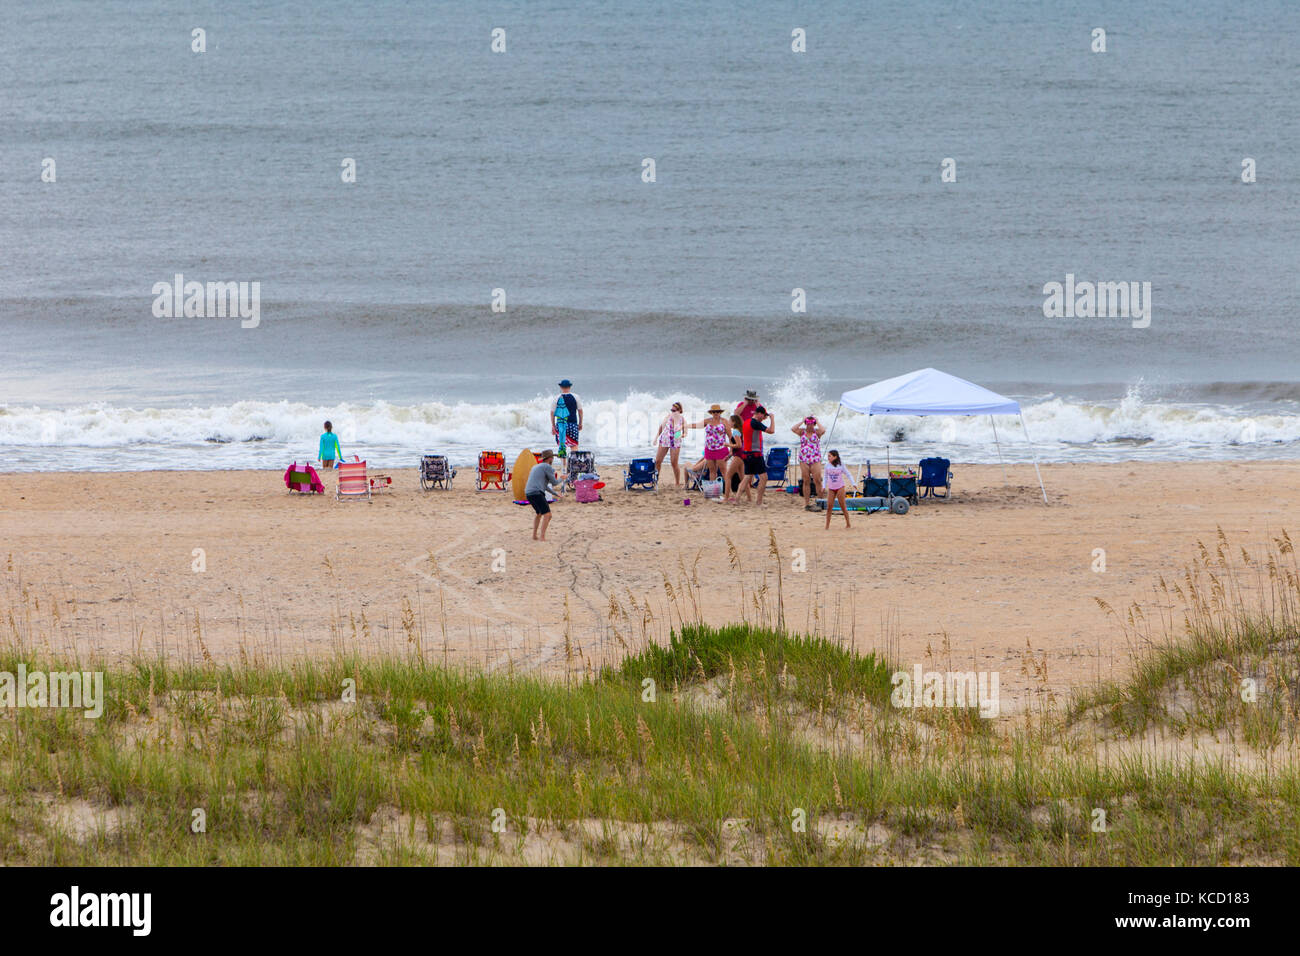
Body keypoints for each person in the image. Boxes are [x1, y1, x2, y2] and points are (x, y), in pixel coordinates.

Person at [525, 449, 566, 541]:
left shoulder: (535, 467)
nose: (553, 460)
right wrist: (562, 478)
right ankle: (542, 537)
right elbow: (554, 483)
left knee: (539, 513)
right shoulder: (548, 467)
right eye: (552, 458)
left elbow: (544, 486)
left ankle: (534, 535)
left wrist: (555, 494)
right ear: (550, 458)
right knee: (548, 515)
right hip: (536, 493)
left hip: (528, 492)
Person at [736, 406, 774, 504]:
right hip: (755, 454)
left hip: (746, 453)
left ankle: (737, 499)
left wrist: (765, 416)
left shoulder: (747, 422)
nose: (763, 418)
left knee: (747, 477)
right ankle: (759, 501)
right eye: (763, 416)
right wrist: (772, 418)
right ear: (759, 414)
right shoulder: (755, 423)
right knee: (764, 478)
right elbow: (771, 430)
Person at [685, 403, 729, 485]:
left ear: (720, 412)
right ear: (711, 413)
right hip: (709, 449)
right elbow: (697, 425)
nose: (716, 413)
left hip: (721, 449)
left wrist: (732, 449)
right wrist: (686, 426)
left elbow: (730, 436)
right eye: (714, 412)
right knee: (712, 471)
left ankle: (727, 492)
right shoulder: (708, 421)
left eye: (717, 412)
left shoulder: (724, 421)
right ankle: (713, 491)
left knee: (724, 471)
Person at [791, 415, 827, 511]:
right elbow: (793, 428)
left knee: (817, 480)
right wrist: (802, 421)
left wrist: (817, 421)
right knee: (806, 481)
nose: (809, 426)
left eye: (811, 424)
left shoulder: (817, 432)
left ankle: (820, 501)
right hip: (804, 459)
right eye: (808, 424)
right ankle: (806, 503)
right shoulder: (802, 432)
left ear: (814, 424)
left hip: (815, 458)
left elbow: (823, 430)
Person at [652, 401, 687, 487]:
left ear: (679, 410)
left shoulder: (682, 420)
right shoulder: (668, 417)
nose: (672, 412)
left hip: (675, 442)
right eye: (671, 410)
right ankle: (655, 481)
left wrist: (680, 435)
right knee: (658, 461)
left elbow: (685, 433)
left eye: (674, 410)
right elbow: (661, 427)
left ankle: (677, 483)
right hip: (665, 440)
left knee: (674, 463)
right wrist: (656, 438)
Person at [551, 379, 583, 459]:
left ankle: (564, 467)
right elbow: (580, 411)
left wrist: (553, 426)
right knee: (574, 446)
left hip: (561, 425)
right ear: (570, 387)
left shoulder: (557, 398)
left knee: (562, 447)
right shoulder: (576, 397)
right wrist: (580, 423)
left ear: (561, 387)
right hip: (572, 425)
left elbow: (552, 413)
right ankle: (573, 466)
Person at [823, 449, 851, 529]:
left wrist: (853, 483)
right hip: (831, 488)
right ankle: (827, 526)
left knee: (842, 506)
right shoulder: (827, 466)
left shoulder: (841, 465)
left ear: (835, 457)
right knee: (829, 507)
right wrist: (823, 486)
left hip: (840, 487)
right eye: (828, 456)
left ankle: (848, 523)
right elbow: (825, 477)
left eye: (829, 456)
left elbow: (848, 474)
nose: (828, 457)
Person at [723, 413, 746, 502]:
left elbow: (739, 445)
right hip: (741, 455)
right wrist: (729, 456)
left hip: (739, 456)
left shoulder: (735, 431)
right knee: (743, 478)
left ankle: (726, 498)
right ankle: (749, 498)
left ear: (734, 422)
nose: (729, 422)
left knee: (728, 476)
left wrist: (727, 444)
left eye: (730, 421)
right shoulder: (739, 431)